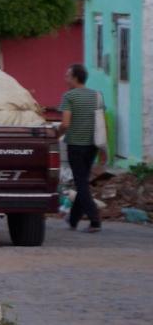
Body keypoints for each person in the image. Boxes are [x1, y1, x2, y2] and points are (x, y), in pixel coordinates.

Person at [58, 63, 105, 232]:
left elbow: (65, 124)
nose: (65, 79)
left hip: (76, 145)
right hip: (92, 145)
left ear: (75, 78)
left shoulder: (69, 96)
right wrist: (104, 149)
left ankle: (95, 220)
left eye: (67, 75)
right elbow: (101, 123)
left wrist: (56, 135)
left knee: (81, 183)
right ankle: (73, 220)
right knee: (82, 182)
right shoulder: (97, 96)